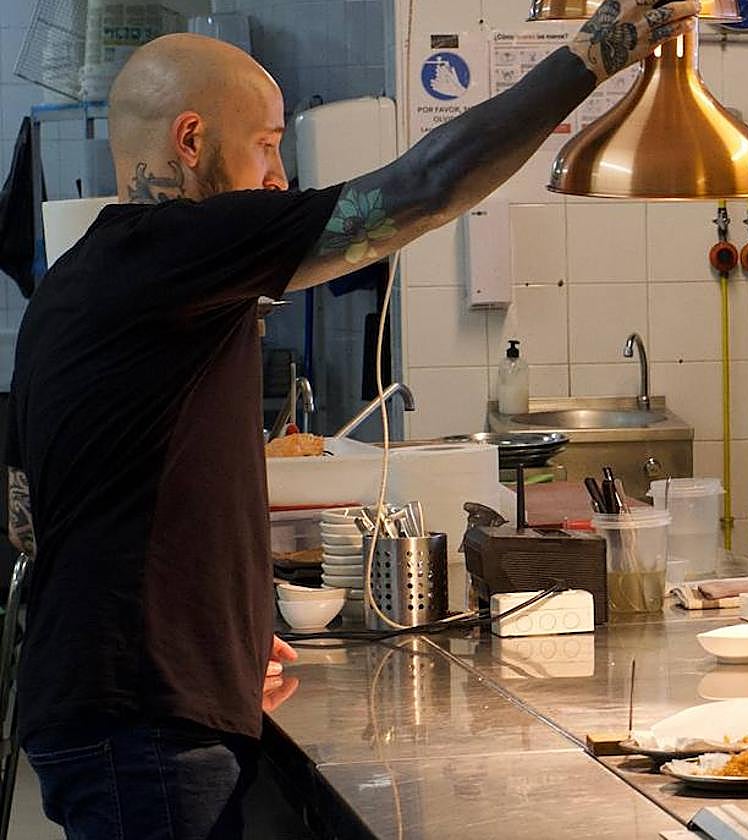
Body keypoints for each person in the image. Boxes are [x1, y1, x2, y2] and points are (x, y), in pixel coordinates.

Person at [4, 1, 698, 837]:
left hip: (135, 707)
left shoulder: (91, 278)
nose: (279, 178)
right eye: (266, 144)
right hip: (145, 730)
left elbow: (29, 514)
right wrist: (592, 55)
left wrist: (211, 643)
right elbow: (424, 189)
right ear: (191, 142)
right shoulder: (169, 247)